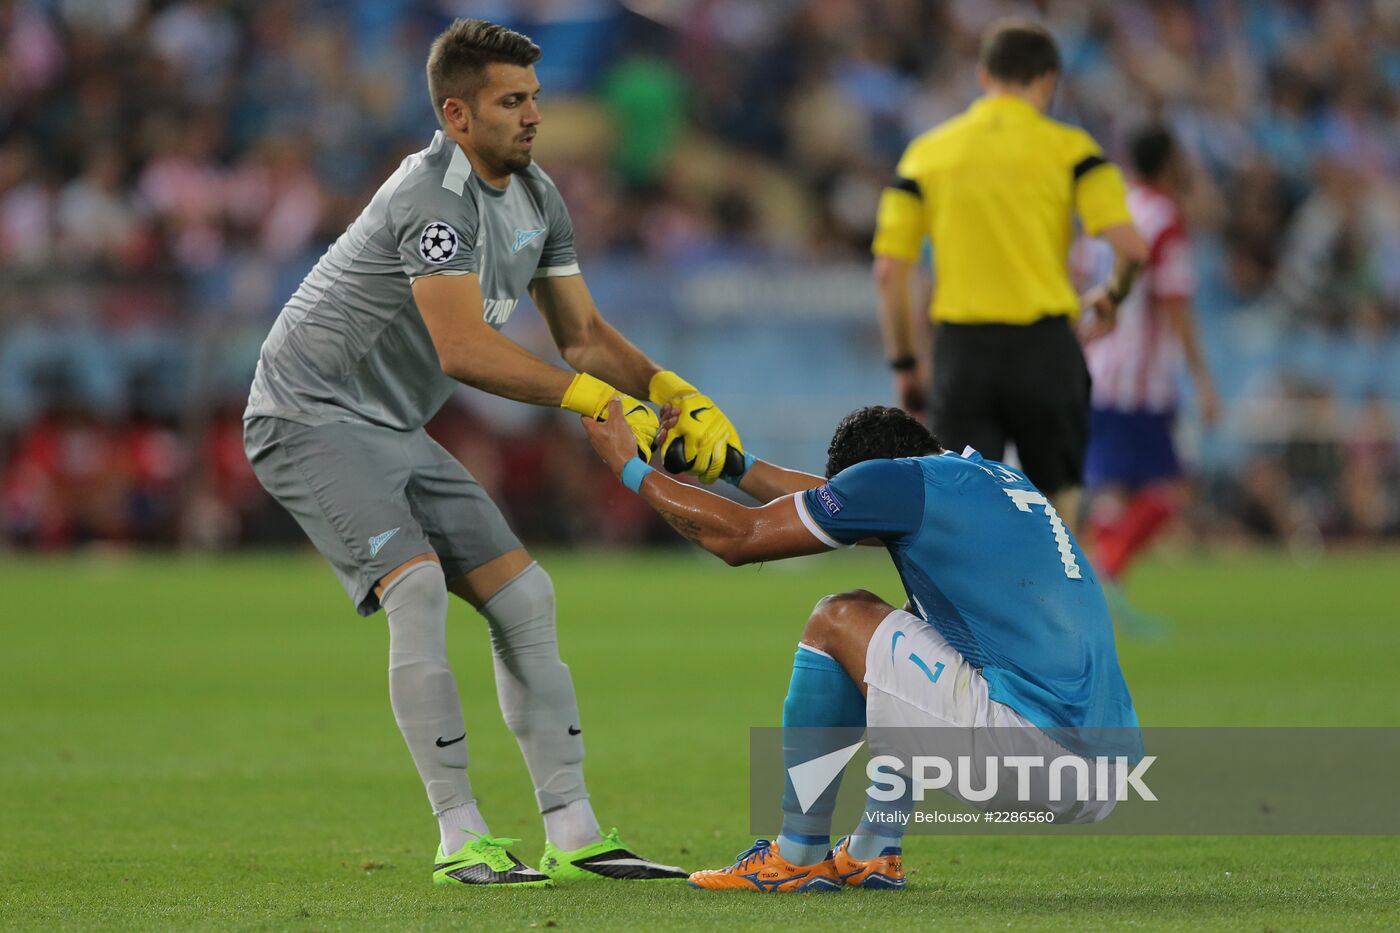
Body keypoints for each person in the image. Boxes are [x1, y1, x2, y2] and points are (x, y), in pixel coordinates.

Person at [242, 18, 742, 887]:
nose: (533, 115)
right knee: (421, 587)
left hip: (393, 426)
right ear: (457, 114)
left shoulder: (539, 196)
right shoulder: (431, 196)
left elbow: (581, 336)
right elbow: (462, 349)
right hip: (307, 414)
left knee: (527, 598)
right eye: (512, 101)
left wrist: (667, 389)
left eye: (535, 98)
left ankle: (575, 833)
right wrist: (591, 399)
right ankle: (459, 834)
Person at [582, 401, 1142, 892]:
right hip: (1109, 772)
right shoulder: (987, 478)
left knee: (838, 619)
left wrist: (628, 468)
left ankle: (796, 857)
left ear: (871, 475)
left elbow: (739, 538)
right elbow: (833, 503)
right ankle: (874, 850)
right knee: (909, 630)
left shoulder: (898, 484)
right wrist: (734, 465)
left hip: (1033, 752)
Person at [871, 18, 1149, 533]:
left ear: (983, 76)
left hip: (963, 353)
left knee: (961, 512)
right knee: (1057, 515)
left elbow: (890, 270)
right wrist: (1111, 295)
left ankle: (961, 615)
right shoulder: (1073, 150)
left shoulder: (928, 153)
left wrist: (907, 362)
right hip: (1046, 349)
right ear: (1048, 81)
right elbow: (1131, 247)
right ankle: (1056, 611)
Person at [1083, 125, 1219, 584]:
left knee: (1114, 490)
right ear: (1168, 163)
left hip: (1102, 369)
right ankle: (1108, 569)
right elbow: (1175, 302)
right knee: (1175, 485)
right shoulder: (1165, 218)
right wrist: (1202, 379)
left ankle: (1103, 586)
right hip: (1142, 379)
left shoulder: (1115, 212)